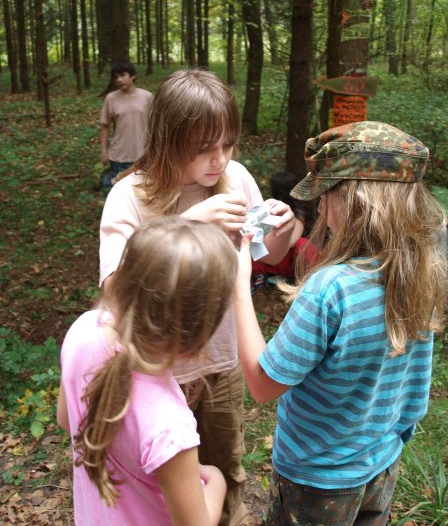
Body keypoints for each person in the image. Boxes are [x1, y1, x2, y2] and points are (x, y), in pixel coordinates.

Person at [99, 68, 296, 525]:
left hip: (222, 361)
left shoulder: (236, 179)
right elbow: (115, 291)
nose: (219, 160)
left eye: (228, 144)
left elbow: (265, 255)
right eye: (204, 148)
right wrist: (187, 225)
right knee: (161, 486)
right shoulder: (130, 195)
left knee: (226, 469)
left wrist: (283, 231)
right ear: (168, 139)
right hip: (155, 372)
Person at [232, 121, 448, 526]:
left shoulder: (330, 290)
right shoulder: (425, 268)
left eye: (325, 195)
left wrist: (237, 285)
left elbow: (262, 385)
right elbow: (415, 383)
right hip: (381, 459)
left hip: (316, 480)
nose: (319, 208)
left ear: (356, 202)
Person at [58, 217, 234, 525]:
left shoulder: (84, 330)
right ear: (198, 335)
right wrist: (217, 481)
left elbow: (66, 419)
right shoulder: (170, 425)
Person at [250, 171, 319, 293]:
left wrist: (273, 236)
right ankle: (261, 276)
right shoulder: (273, 208)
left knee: (302, 244)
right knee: (252, 245)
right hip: (273, 257)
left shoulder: (299, 214)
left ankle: (304, 282)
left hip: (289, 260)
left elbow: (291, 243)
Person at [98, 60, 153, 189]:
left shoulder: (147, 97)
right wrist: (103, 150)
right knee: (119, 191)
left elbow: (156, 123)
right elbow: (105, 125)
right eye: (116, 77)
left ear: (132, 76)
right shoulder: (111, 98)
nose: (119, 80)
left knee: (142, 191)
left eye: (123, 75)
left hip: (143, 154)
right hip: (119, 156)